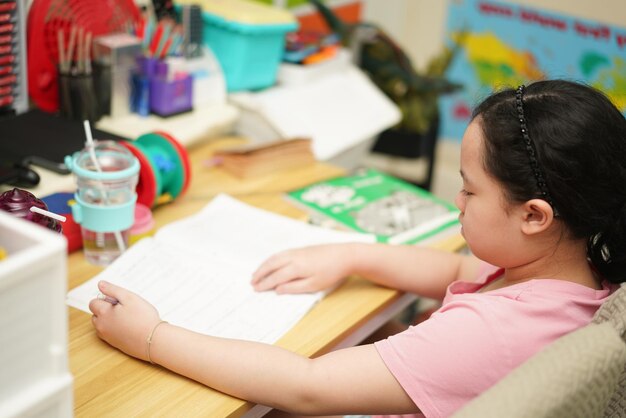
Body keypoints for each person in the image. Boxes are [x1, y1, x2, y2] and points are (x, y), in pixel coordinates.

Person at [89, 80, 626, 418]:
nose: (455, 199)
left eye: (469, 188)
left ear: (535, 215)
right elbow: (456, 266)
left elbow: (308, 386)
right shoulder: (574, 269)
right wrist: (352, 255)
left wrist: (153, 337)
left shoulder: (492, 333)